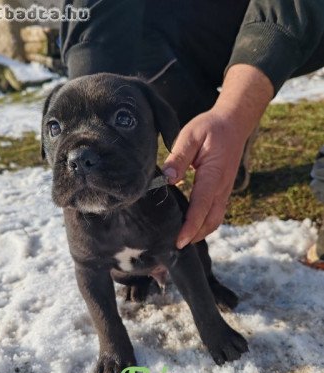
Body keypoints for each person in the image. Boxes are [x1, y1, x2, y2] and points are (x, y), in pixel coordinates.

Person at [60, 0, 324, 260]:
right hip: (202, 20)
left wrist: (235, 113)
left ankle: (235, 129)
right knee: (137, 30)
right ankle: (217, 147)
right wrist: (90, 131)